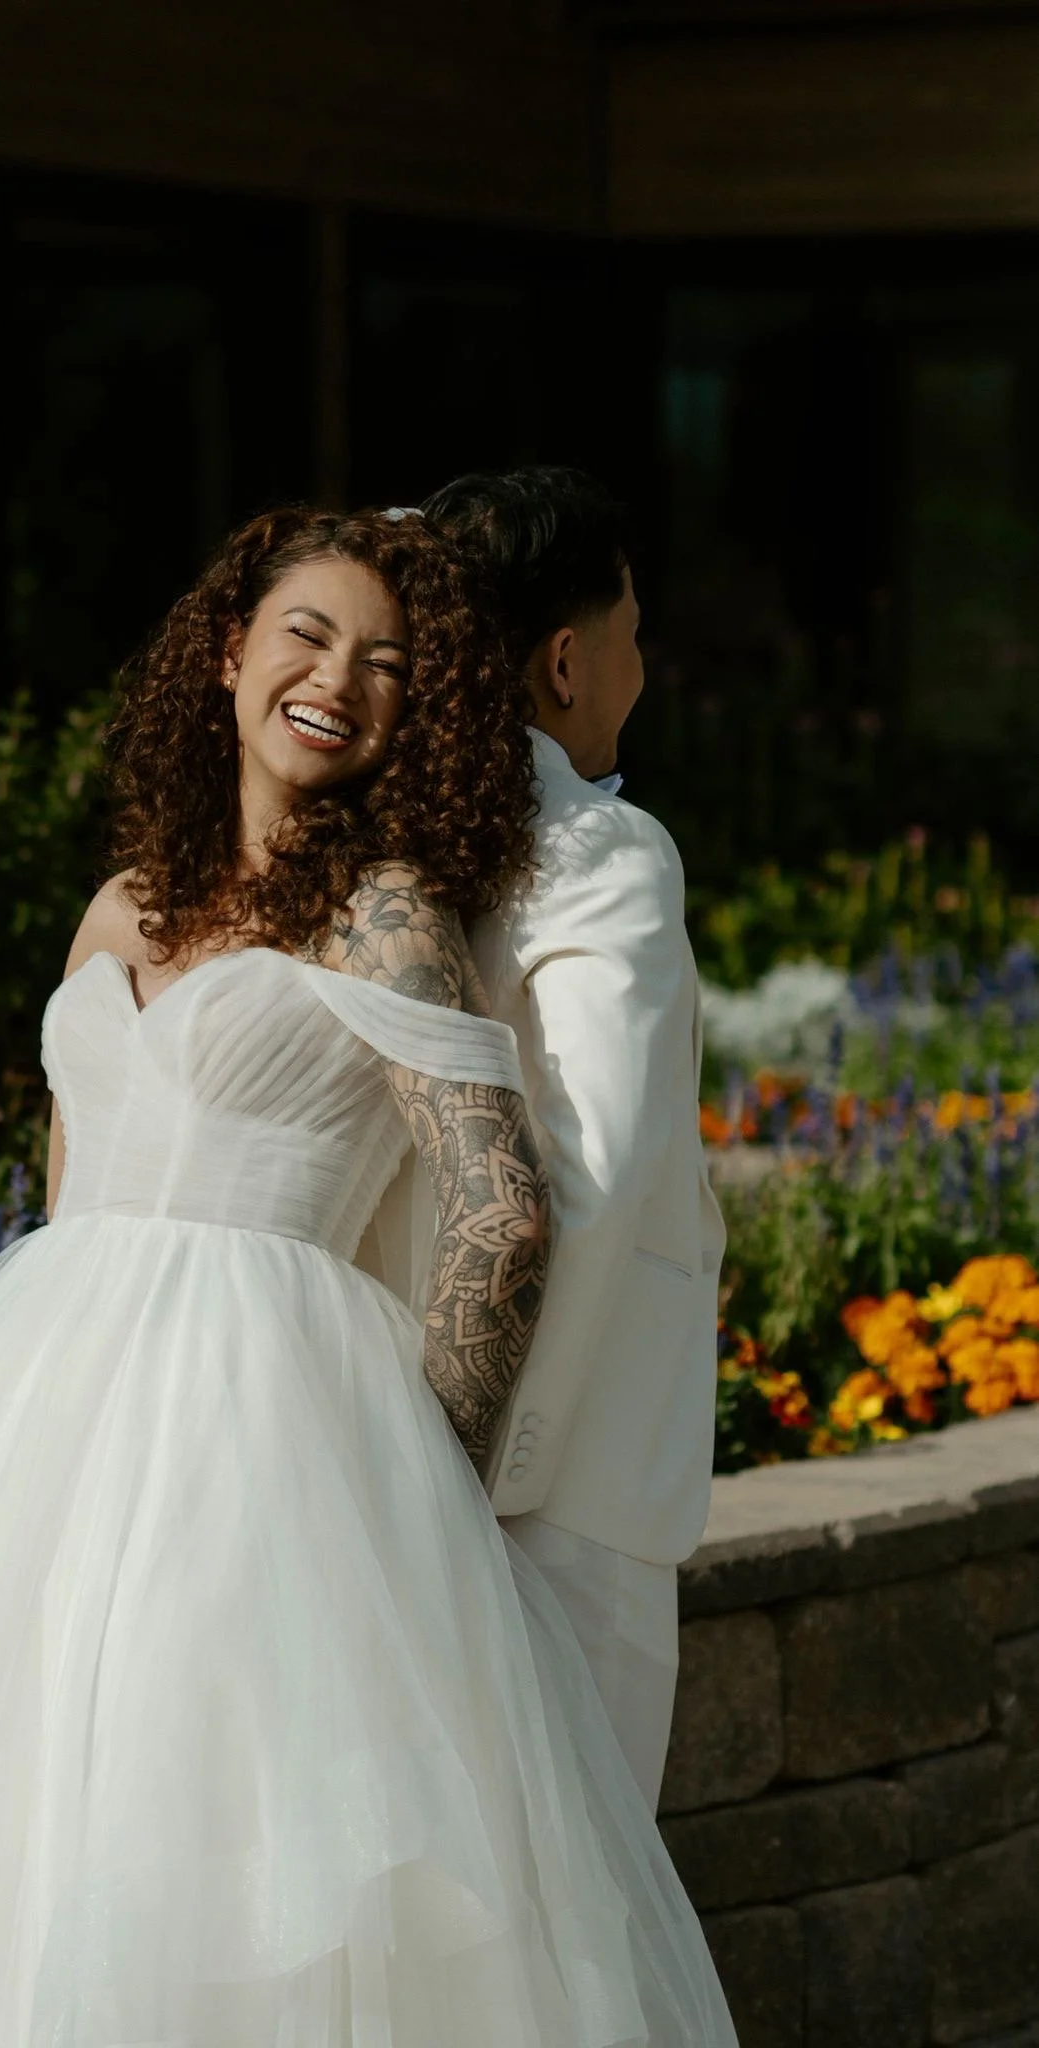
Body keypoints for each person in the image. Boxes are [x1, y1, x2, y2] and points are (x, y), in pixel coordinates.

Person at [0, 505, 734, 2046]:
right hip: (34, 1404)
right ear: (228, 651)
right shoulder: (122, 902)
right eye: (305, 635)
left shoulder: (384, 913)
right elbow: (68, 1163)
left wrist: (416, 1488)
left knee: (223, 1868)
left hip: (271, 1420)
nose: (337, 679)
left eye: (385, 662)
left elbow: (504, 1205)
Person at [421, 466, 728, 1814]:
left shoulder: (384, 835)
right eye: (632, 633)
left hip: (394, 1426)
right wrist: (499, 1469)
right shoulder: (600, 850)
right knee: (580, 1917)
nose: (641, 669)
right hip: (564, 1478)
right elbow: (589, 1177)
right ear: (561, 659)